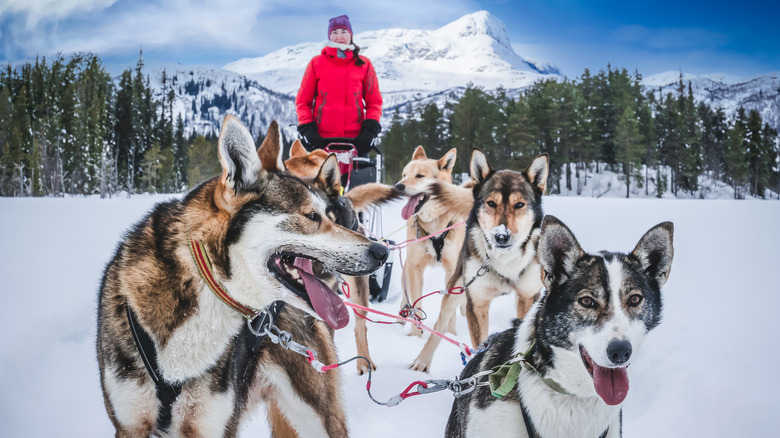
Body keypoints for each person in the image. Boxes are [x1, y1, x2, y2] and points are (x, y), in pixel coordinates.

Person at [295, 14, 383, 157]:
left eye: (343, 32)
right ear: (329, 36)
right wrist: (307, 128)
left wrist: (370, 130)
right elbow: (303, 101)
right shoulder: (316, 63)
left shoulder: (364, 64)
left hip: (356, 141)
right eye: (334, 32)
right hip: (321, 140)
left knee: (359, 179)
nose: (339, 36)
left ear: (351, 35)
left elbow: (374, 101)